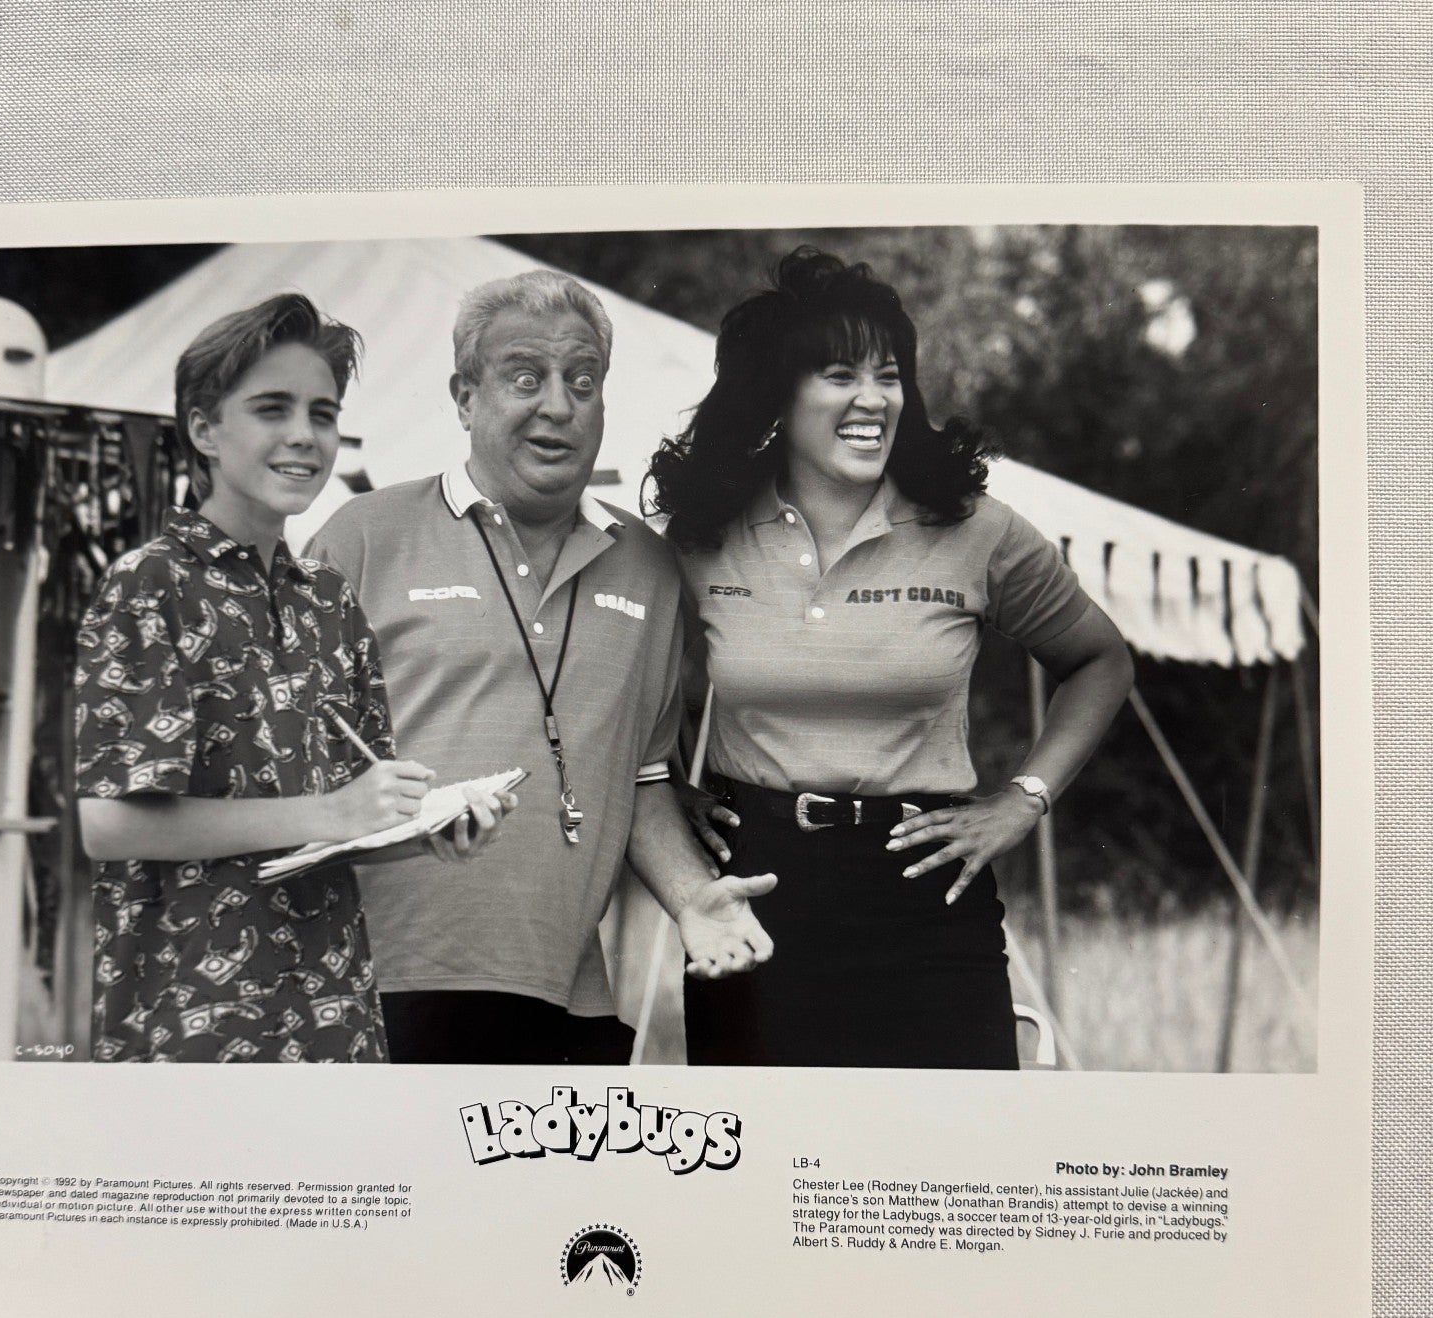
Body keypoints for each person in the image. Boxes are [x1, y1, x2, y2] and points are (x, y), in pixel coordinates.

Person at [647, 247, 1135, 1068]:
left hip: (928, 891)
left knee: (953, 1166)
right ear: (777, 390)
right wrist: (668, 786)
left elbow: (1101, 661)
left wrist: (1023, 798)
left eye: (889, 374)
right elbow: (627, 686)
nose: (873, 398)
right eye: (839, 374)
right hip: (753, 894)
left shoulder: (977, 529)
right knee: (765, 1172)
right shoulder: (703, 534)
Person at [311, 268, 774, 1065]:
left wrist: (694, 899)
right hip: (376, 985)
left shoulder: (648, 567)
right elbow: (296, 774)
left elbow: (645, 777)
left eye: (582, 380)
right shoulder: (362, 536)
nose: (557, 405)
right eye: (525, 376)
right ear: (464, 397)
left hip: (568, 995)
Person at [74, 293, 510, 1063]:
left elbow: (340, 828)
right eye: (273, 409)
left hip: (331, 1020)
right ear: (204, 429)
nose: (305, 437)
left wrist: (420, 831)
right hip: (188, 1024)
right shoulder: (149, 585)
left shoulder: (329, 600)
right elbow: (110, 826)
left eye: (323, 413)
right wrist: (337, 812)